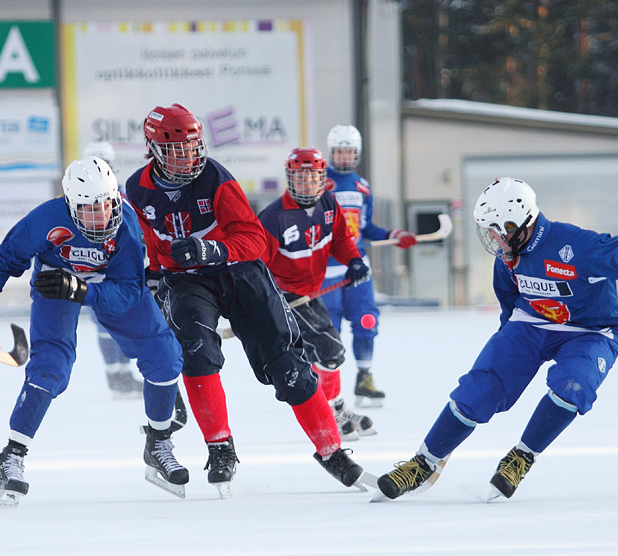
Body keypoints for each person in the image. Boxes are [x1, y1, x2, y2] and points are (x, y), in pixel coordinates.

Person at [375, 177, 618, 502]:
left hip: (590, 331)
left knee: (574, 384)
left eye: (496, 231)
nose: (492, 240)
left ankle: (521, 456)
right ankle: (425, 461)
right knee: (480, 388)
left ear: (517, 225)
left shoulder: (578, 248)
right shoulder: (508, 257)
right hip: (532, 324)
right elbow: (508, 296)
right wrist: (508, 347)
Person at [126, 103, 367, 499]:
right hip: (186, 280)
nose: (188, 157)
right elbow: (148, 241)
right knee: (197, 351)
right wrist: (151, 272)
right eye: (177, 150)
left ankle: (331, 450)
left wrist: (212, 250)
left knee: (286, 362)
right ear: (154, 150)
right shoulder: (137, 189)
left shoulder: (216, 178)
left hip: (236, 270)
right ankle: (220, 446)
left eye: (192, 147)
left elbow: (254, 240)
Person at [0, 156, 186, 507]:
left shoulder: (127, 224)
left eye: (106, 204)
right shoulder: (46, 218)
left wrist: (85, 291)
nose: (101, 216)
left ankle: (159, 443)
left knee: (165, 355)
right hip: (55, 284)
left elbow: (129, 291)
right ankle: (12, 456)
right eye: (89, 209)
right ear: (70, 205)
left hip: (108, 284)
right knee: (50, 367)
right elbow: (8, 256)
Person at [258, 147, 377, 442]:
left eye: (313, 177)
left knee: (324, 352)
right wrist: (261, 301)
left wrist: (354, 260)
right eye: (301, 177)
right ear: (290, 178)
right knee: (330, 351)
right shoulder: (274, 217)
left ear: (323, 178)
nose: (307, 184)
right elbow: (255, 264)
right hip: (285, 295)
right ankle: (329, 412)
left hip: (311, 293)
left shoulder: (328, 203)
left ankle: (335, 407)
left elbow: (340, 239)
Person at [322, 125, 417, 408]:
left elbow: (366, 227)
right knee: (329, 330)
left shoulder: (362, 186)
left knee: (367, 320)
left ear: (357, 153)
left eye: (349, 151)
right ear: (331, 152)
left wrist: (393, 236)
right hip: (327, 271)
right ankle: (328, 388)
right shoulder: (319, 183)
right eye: (339, 151)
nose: (344, 157)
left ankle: (364, 377)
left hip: (358, 268)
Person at [81, 141, 145, 397]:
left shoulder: (122, 196)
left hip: (120, 267)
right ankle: (113, 375)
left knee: (125, 321)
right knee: (104, 323)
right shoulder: (77, 196)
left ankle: (123, 374)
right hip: (94, 267)